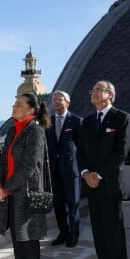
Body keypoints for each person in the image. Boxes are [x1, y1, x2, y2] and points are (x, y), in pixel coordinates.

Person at [77, 80, 130, 259]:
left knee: (113, 230)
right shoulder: (88, 121)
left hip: (109, 184)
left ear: (109, 94)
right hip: (91, 184)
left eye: (98, 89)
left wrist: (97, 175)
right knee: (98, 229)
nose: (93, 92)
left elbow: (120, 153)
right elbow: (80, 152)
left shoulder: (122, 118)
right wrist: (85, 174)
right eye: (92, 89)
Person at [0, 93, 51, 259]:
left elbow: (28, 167)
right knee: (18, 243)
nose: (14, 106)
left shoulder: (35, 131)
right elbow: (3, 161)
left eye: (18, 104)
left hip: (27, 196)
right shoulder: (12, 130)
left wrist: (6, 189)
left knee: (28, 243)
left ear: (30, 110)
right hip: (11, 194)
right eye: (14, 103)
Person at [46, 90, 82, 248]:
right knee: (58, 204)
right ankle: (63, 232)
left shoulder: (76, 121)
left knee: (73, 204)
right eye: (54, 99)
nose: (56, 102)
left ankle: (73, 235)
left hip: (71, 171)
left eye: (59, 99)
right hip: (54, 171)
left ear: (67, 102)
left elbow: (82, 147)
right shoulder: (49, 122)